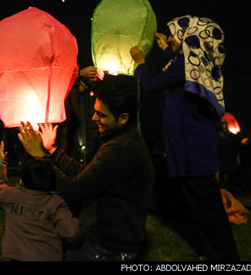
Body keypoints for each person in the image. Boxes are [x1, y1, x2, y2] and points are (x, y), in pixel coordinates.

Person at [130, 15, 239, 261]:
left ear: (188, 37)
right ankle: (210, 252)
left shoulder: (184, 66)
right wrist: (170, 50)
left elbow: (152, 84)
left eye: (174, 34)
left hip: (193, 152)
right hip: (194, 149)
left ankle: (225, 258)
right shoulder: (191, 63)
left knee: (207, 209)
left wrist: (140, 63)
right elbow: (181, 68)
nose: (169, 38)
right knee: (201, 207)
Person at [18, 74, 154, 261]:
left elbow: (73, 190)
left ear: (123, 118)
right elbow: (87, 173)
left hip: (106, 250)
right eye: (96, 111)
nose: (93, 117)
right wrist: (52, 150)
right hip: (105, 243)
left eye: (101, 114)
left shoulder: (122, 149)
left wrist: (40, 157)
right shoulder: (121, 140)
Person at [0, 142, 81, 261]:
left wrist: (1, 162)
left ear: (22, 179)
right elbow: (71, 232)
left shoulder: (12, 196)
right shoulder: (55, 203)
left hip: (17, 257)